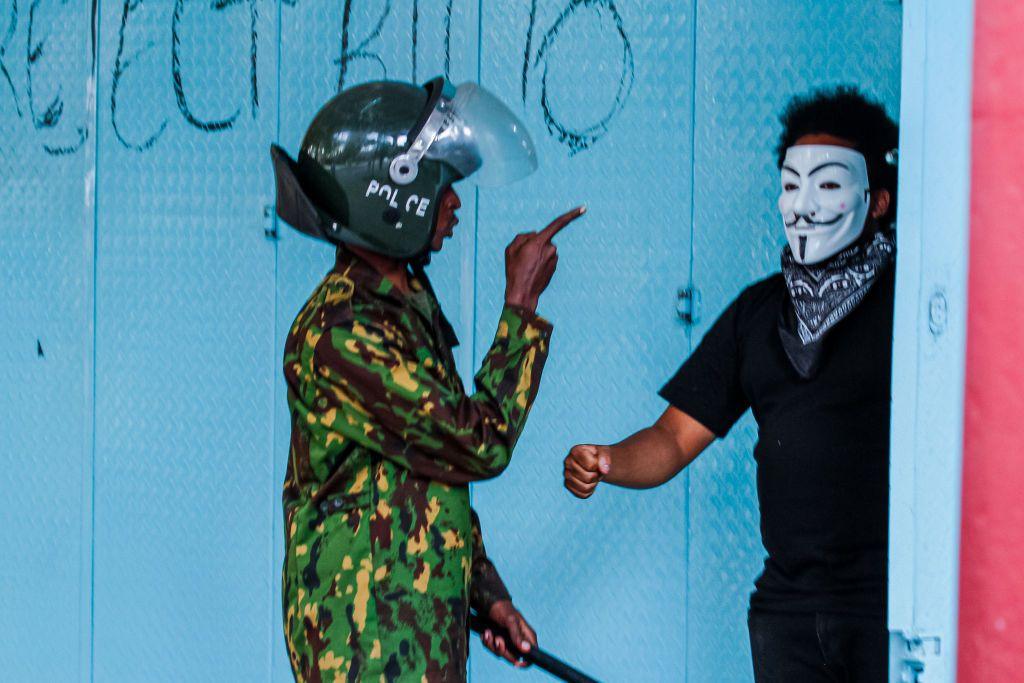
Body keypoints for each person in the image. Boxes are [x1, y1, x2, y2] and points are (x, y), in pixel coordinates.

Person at [562, 86, 899, 682]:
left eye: (827, 184)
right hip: (786, 615)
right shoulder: (758, 314)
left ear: (878, 201)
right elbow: (672, 439)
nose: (804, 205)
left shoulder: (913, 308)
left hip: (888, 611)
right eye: (792, 184)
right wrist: (608, 460)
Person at [271, 77, 585, 682]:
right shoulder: (344, 331)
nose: (455, 205)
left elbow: (427, 470)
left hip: (413, 635)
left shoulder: (403, 303)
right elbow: (474, 444)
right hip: (367, 647)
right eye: (444, 188)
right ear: (390, 197)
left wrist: (486, 594)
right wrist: (519, 306)